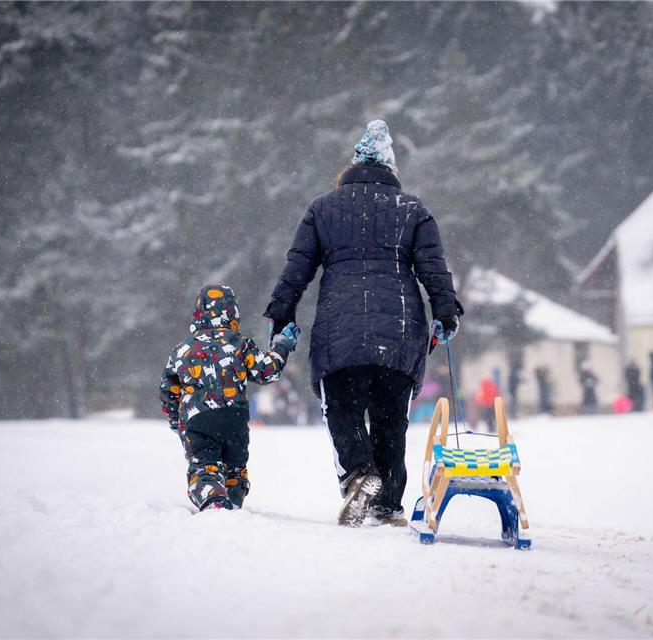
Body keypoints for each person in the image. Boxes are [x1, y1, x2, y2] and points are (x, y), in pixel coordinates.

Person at [264, 119, 462, 527]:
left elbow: (297, 268)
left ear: (351, 168)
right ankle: (387, 504)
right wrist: (446, 312)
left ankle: (359, 474)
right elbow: (434, 270)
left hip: (341, 326)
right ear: (391, 171)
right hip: (401, 331)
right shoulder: (413, 209)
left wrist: (282, 312)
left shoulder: (322, 208)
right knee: (392, 417)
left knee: (342, 406)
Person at [160, 285, 299, 511]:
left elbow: (169, 391)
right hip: (234, 419)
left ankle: (213, 499)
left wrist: (176, 421)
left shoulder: (182, 350)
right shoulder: (240, 343)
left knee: (204, 466)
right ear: (232, 312)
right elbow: (267, 371)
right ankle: (233, 500)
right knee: (234, 467)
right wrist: (281, 346)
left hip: (199, 420)